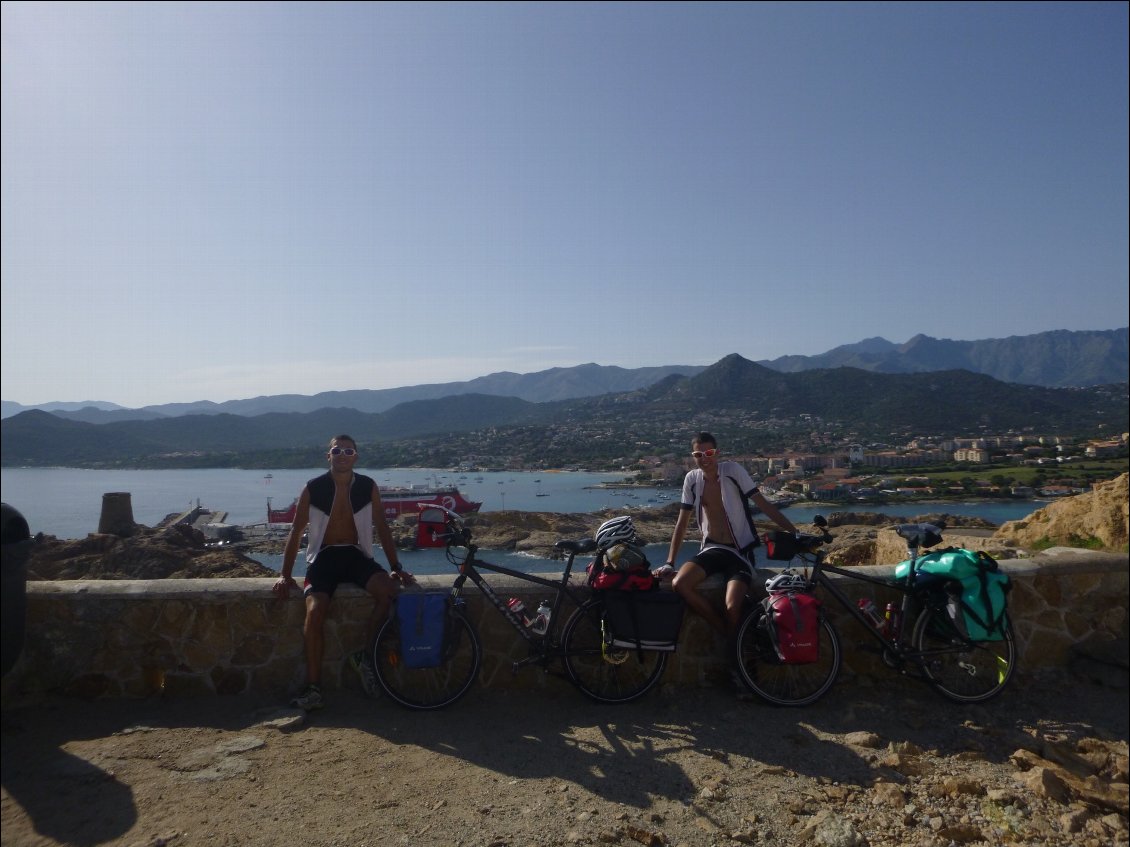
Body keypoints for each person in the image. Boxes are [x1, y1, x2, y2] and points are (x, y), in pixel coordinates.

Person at [273, 434, 413, 710]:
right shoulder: (314, 488)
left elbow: (382, 527)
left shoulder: (367, 486)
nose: (342, 454)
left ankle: (365, 654)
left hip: (355, 554)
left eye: (348, 450)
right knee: (314, 612)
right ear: (329, 456)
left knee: (389, 593)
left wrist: (396, 567)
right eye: (337, 450)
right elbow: (295, 531)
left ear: (355, 457)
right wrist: (284, 574)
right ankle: (314, 688)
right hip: (324, 557)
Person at [665, 431, 797, 698]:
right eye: (698, 455)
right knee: (680, 583)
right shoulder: (692, 480)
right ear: (694, 457)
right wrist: (669, 561)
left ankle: (739, 659)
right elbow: (682, 523)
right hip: (712, 548)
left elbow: (763, 504)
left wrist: (793, 532)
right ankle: (732, 638)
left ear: (718, 453)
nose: (704, 459)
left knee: (732, 605)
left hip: (739, 552)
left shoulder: (733, 471)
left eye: (709, 453)